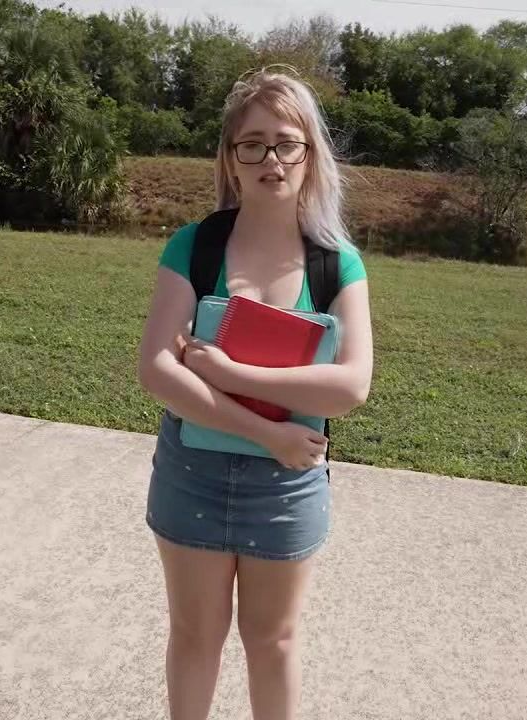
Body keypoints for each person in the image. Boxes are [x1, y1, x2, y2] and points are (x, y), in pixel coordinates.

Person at [136, 67, 374, 720]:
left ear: (310, 155)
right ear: (230, 158)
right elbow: (157, 369)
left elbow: (352, 384)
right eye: (253, 144)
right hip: (194, 472)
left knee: (273, 643)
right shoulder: (195, 246)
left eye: (287, 143)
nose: (272, 158)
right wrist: (267, 431)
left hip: (286, 487)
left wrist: (228, 372)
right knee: (194, 637)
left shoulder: (337, 262)